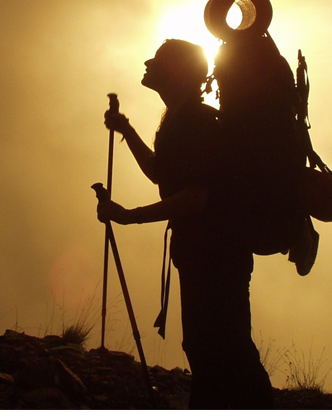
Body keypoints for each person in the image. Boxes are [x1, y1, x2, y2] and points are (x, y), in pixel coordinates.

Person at [97, 39, 275, 409]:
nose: (148, 63)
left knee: (223, 348)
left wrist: (130, 217)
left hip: (216, 253)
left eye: (158, 60)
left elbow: (197, 196)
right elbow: (161, 174)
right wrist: (127, 130)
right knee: (209, 345)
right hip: (205, 252)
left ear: (177, 71)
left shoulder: (195, 121)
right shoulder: (181, 120)